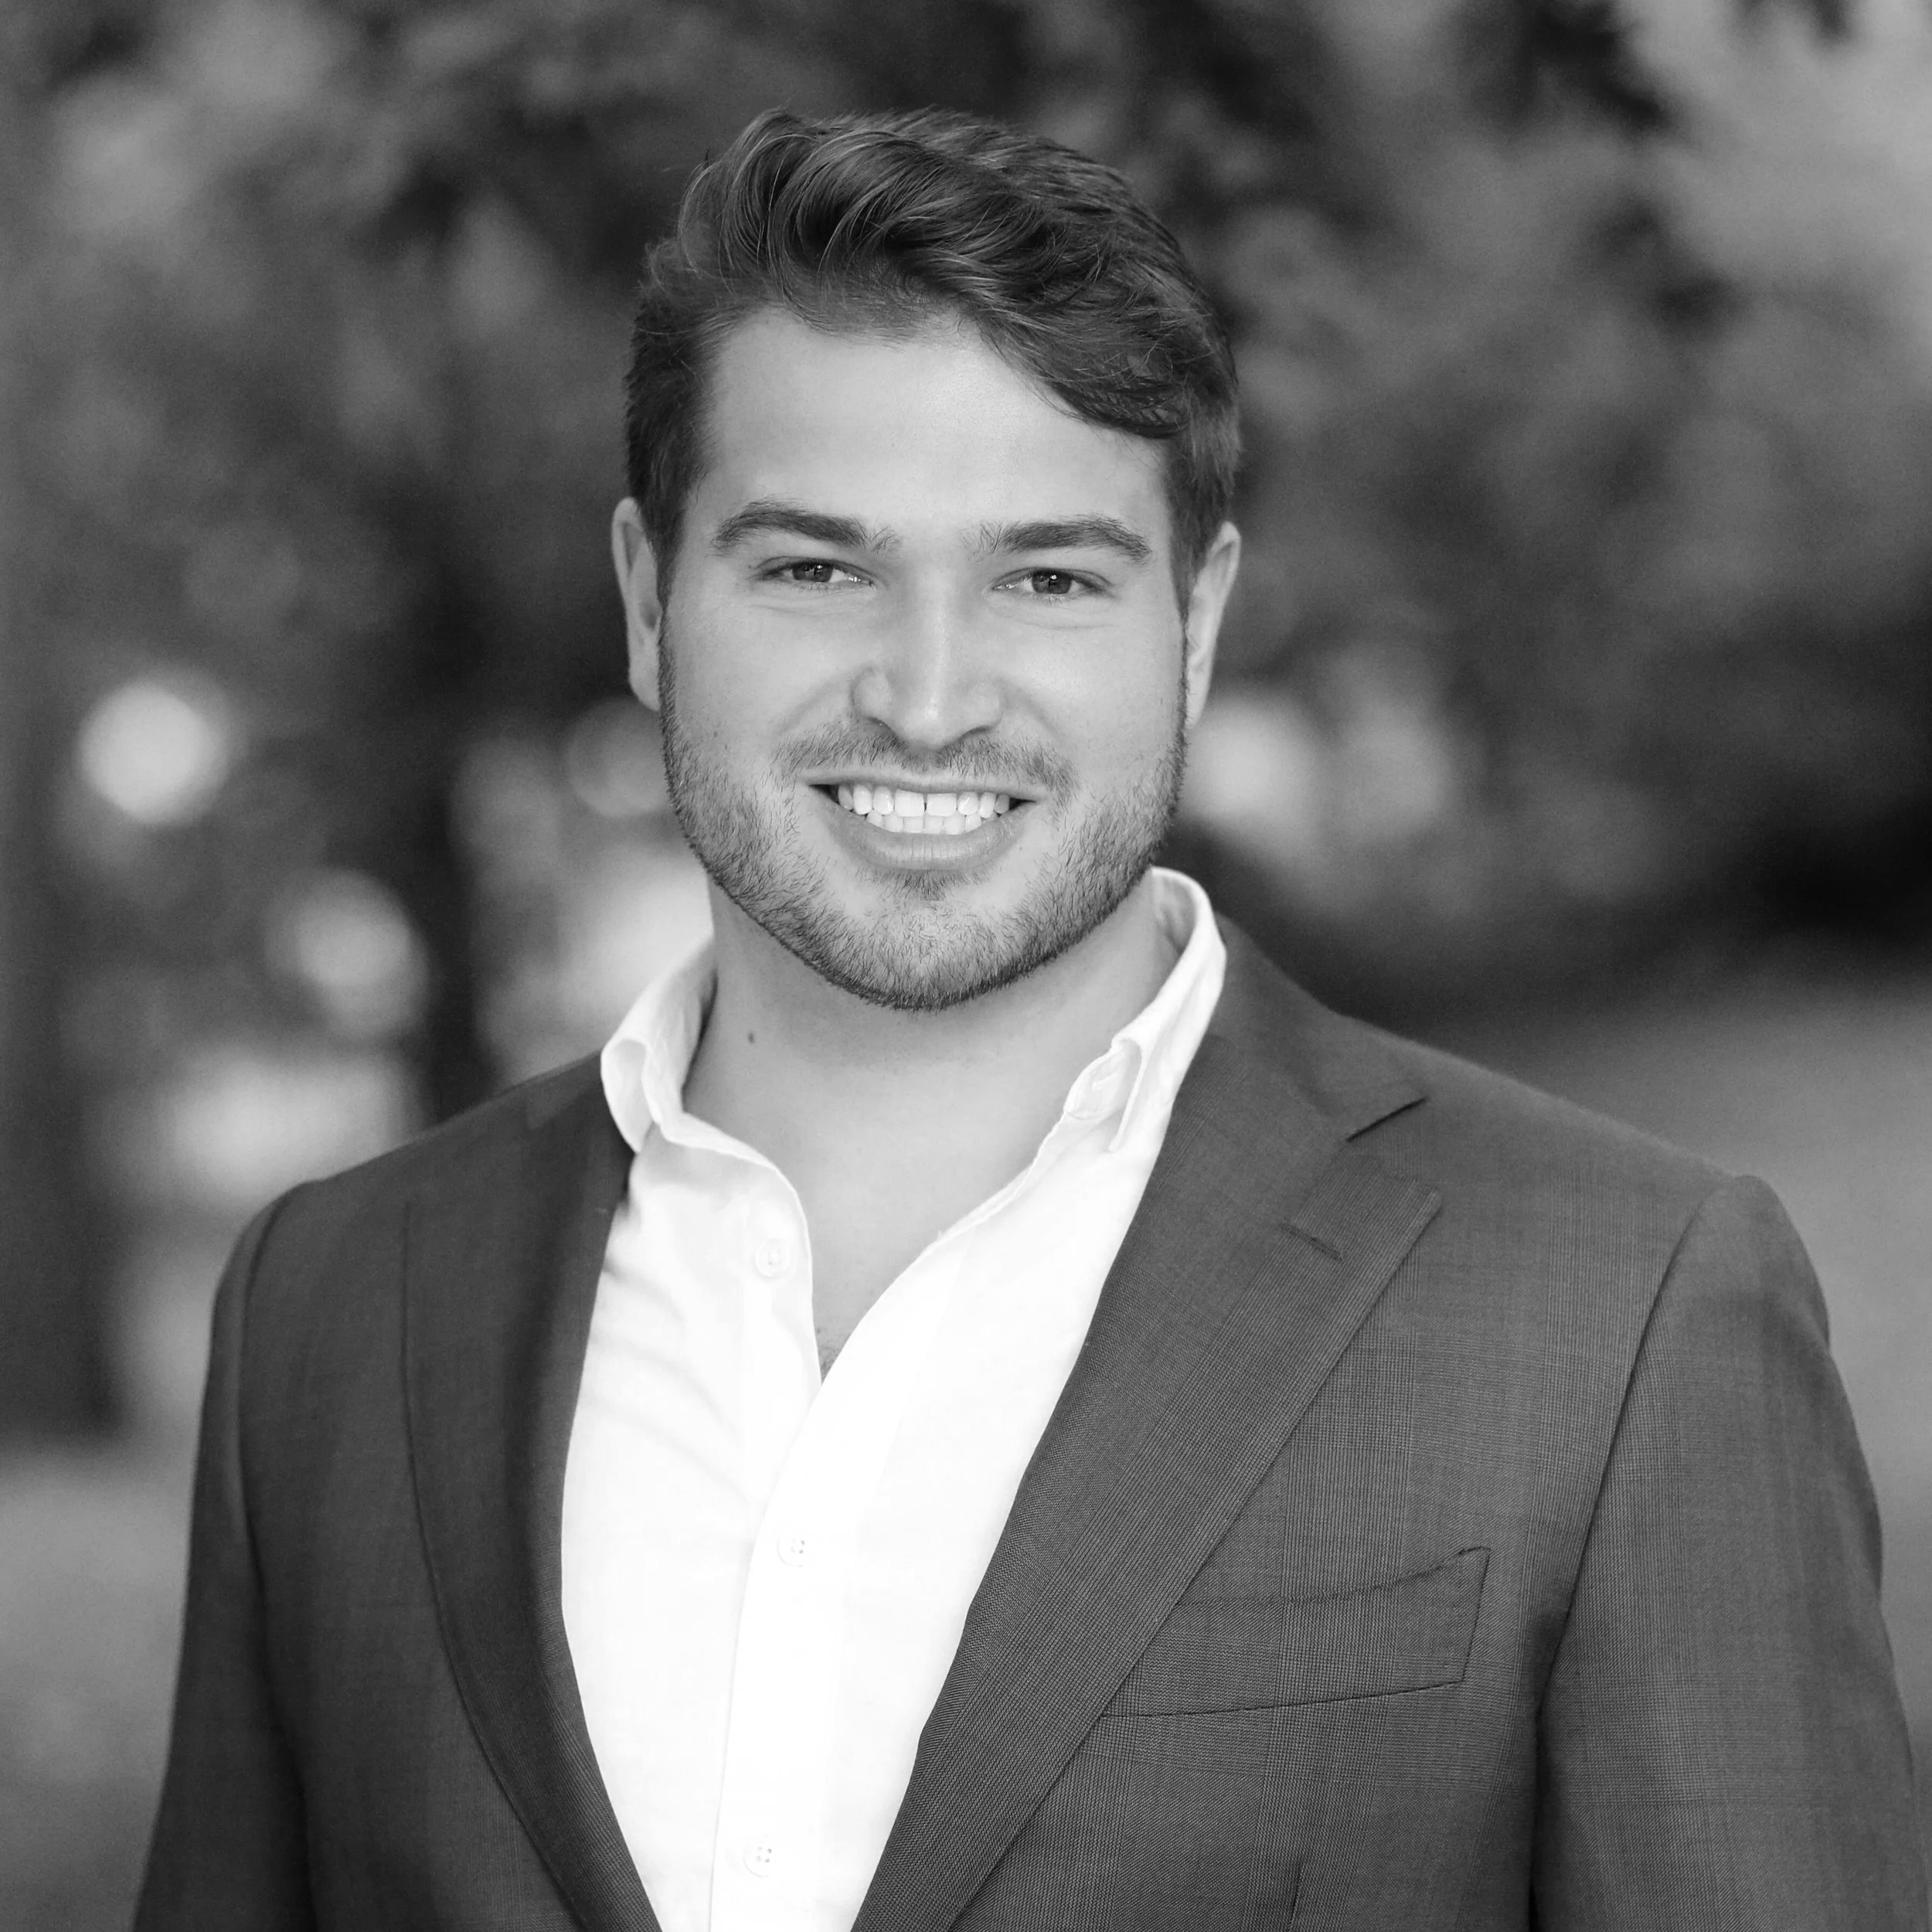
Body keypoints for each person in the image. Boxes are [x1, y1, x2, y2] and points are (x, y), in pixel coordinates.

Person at [135, 105, 1924, 1932]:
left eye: (1046, 577)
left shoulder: (1616, 1308)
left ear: (1196, 625)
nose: (925, 697)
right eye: (815, 566)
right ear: (648, 604)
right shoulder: (330, 1313)